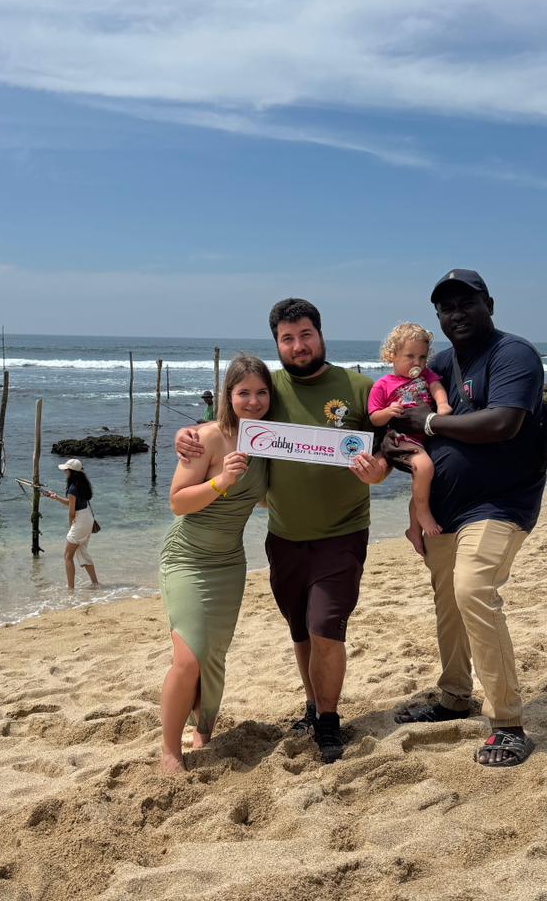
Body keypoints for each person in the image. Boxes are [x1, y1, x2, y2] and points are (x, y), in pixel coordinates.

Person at [176, 299, 389, 763]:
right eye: (288, 339)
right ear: (277, 343)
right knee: (301, 632)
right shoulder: (268, 389)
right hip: (284, 537)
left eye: (305, 335)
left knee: (326, 629)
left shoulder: (357, 387)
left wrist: (380, 472)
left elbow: (389, 446)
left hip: (342, 532)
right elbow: (229, 423)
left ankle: (329, 722)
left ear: (320, 333)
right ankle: (313, 708)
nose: (298, 345)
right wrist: (187, 436)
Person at [386, 269, 547, 768]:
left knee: (474, 590)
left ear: (490, 305)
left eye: (466, 303)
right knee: (448, 603)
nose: (455, 313)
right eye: (445, 307)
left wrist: (431, 421)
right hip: (441, 511)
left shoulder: (512, 354)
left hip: (501, 504)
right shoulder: (434, 364)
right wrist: (400, 465)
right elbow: (405, 426)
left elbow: (503, 422)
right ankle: (455, 696)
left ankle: (507, 723)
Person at [158, 355, 273, 774]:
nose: (254, 401)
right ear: (229, 395)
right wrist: (220, 482)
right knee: (189, 658)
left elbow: (265, 497)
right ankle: (170, 752)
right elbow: (177, 502)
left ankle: (203, 729)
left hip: (229, 562)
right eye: (244, 393)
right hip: (188, 558)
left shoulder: (268, 441)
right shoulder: (206, 438)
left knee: (213, 656)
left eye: (262, 392)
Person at [368, 322, 453, 552]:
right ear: (392, 356)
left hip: (424, 436)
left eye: (422, 357)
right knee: (424, 467)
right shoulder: (383, 385)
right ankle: (423, 513)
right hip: (400, 437)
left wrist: (443, 405)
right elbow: (374, 417)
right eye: (410, 356)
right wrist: (388, 412)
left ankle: (413, 530)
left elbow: (437, 388)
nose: (417, 363)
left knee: (424, 481)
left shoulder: (426, 375)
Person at [45, 459, 100, 589]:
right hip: (88, 519)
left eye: (66, 469)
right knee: (83, 553)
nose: (64, 471)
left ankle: (71, 589)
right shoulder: (82, 484)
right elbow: (72, 503)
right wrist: (56, 497)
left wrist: (71, 525)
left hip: (80, 522)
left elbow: (71, 512)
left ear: (71, 471)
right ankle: (95, 583)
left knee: (67, 556)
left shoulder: (72, 488)